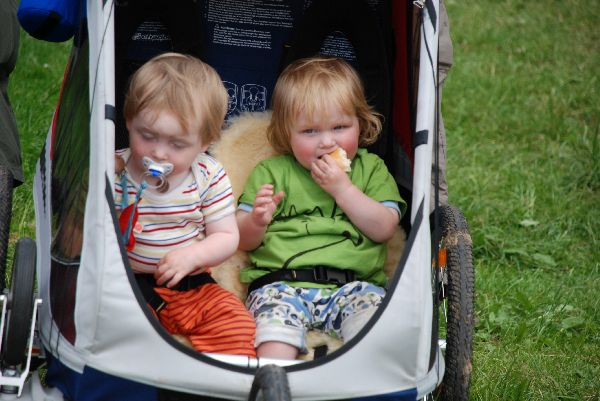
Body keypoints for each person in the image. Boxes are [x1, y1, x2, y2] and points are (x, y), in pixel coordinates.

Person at [236, 57, 406, 359]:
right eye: (310, 131)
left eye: (340, 127)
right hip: (280, 285)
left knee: (375, 333)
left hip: (355, 286)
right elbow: (243, 241)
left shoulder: (371, 170)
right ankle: (274, 381)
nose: (327, 142)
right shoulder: (272, 172)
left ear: (361, 124)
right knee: (273, 337)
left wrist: (343, 189)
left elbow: (384, 229)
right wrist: (256, 221)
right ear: (286, 134)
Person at [114, 52, 256, 357]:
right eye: (147, 136)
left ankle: (226, 382)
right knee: (121, 334)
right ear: (128, 120)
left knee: (236, 325)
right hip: (125, 284)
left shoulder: (207, 175)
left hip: (190, 284)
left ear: (204, 142)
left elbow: (226, 236)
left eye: (177, 144)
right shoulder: (116, 170)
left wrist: (192, 256)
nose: (160, 153)